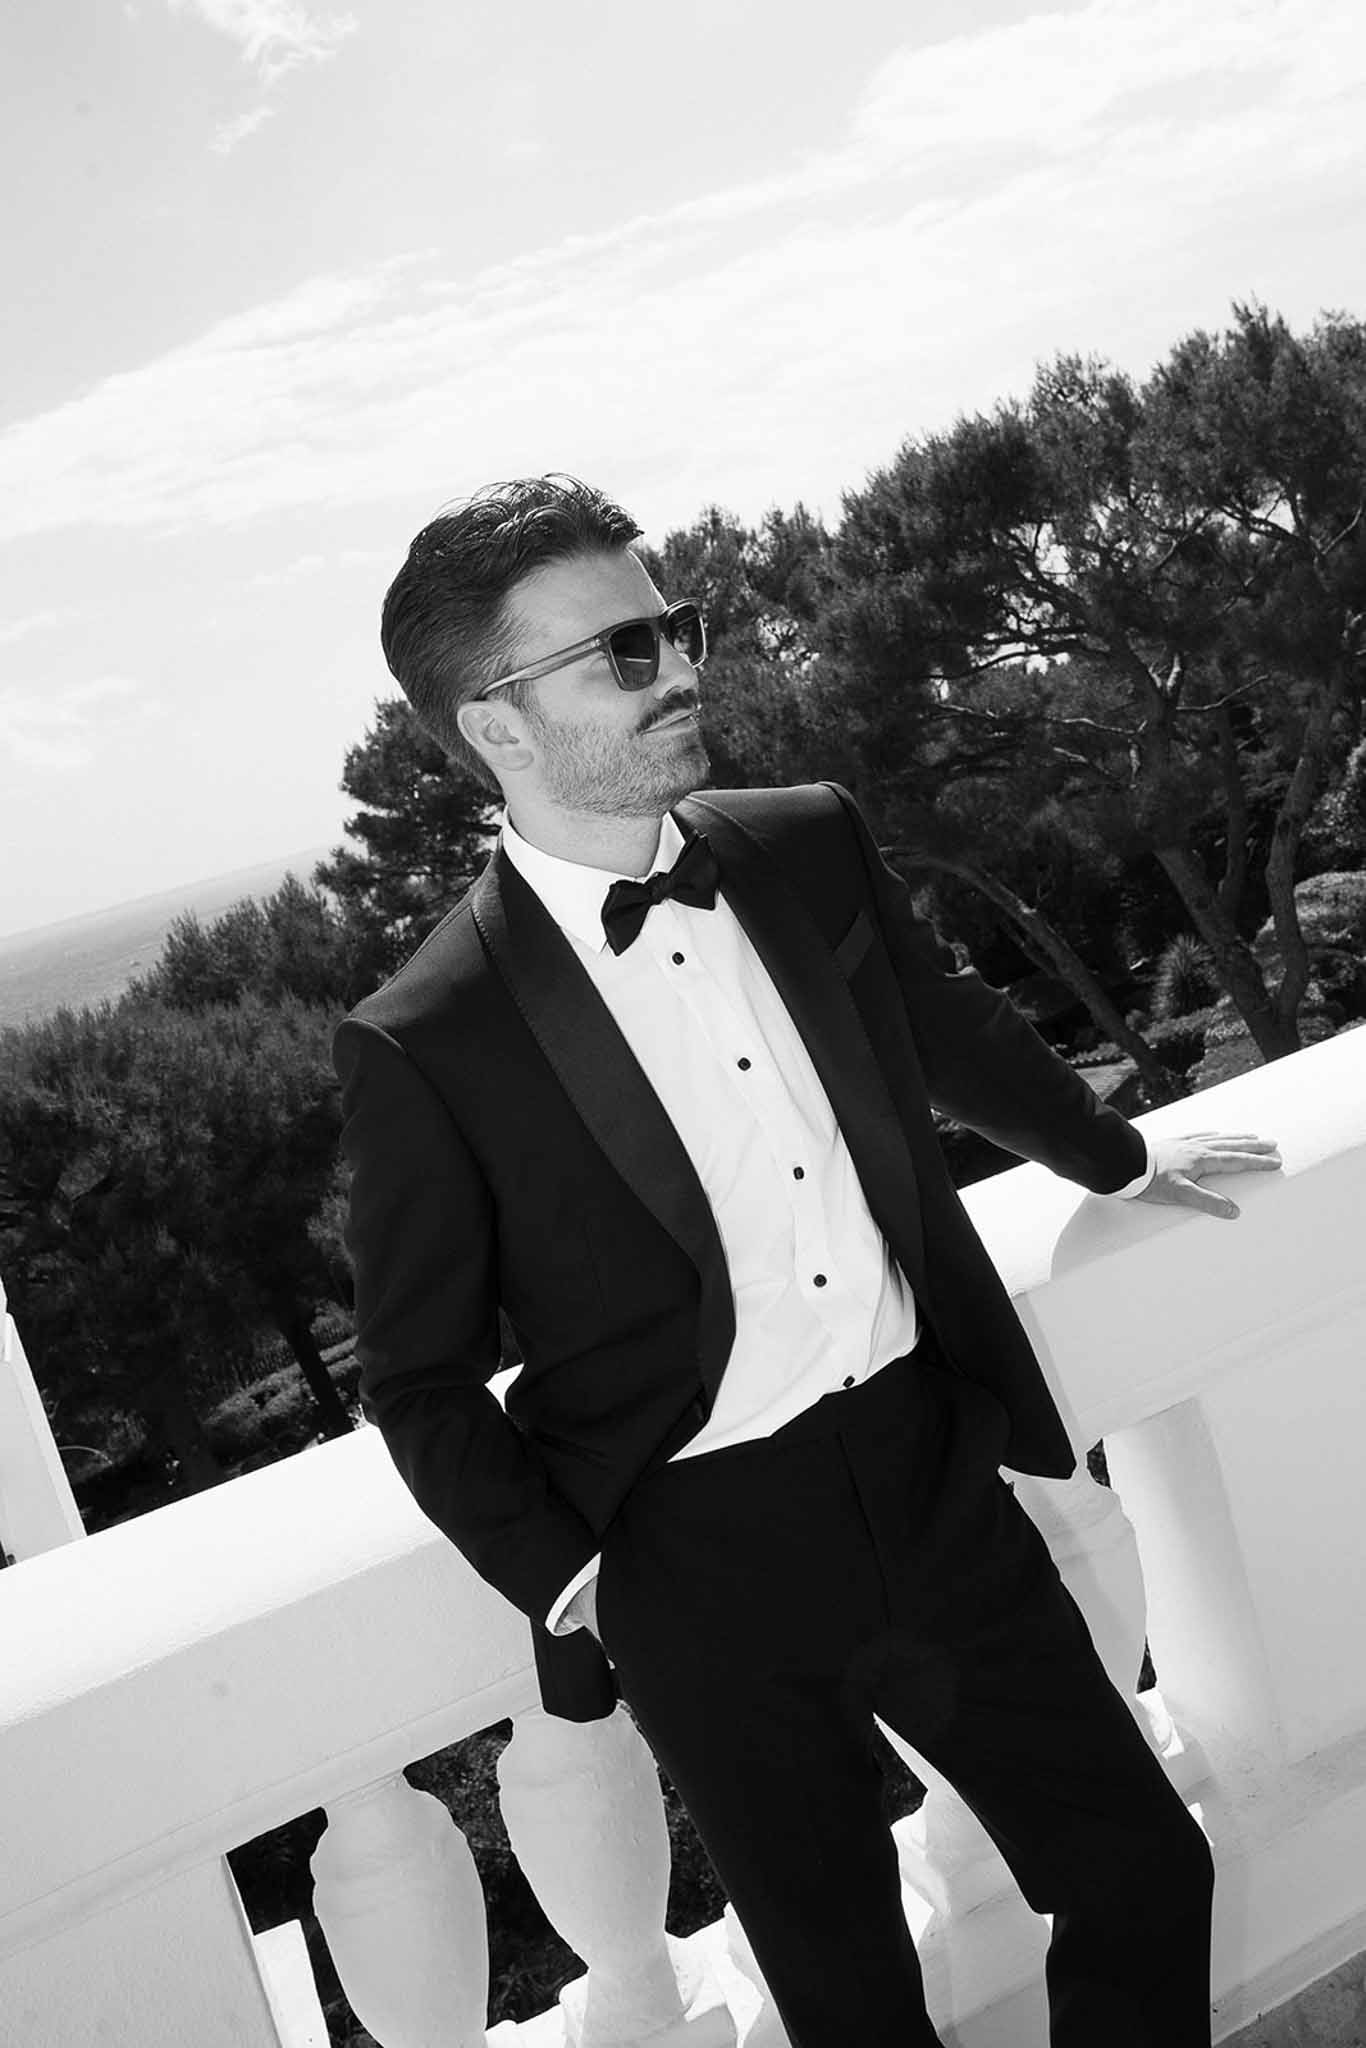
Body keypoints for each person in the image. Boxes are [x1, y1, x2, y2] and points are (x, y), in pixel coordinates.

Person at [333, 473, 1282, 2048]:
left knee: (1138, 1865)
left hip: (925, 1467)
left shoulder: (804, 844)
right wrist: (583, 1579)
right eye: (620, 655)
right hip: (697, 1562)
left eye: (674, 629)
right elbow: (416, 1378)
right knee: (844, 1992)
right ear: (493, 725)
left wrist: (1120, 1154)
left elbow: (949, 1024)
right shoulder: (427, 1035)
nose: (682, 671)